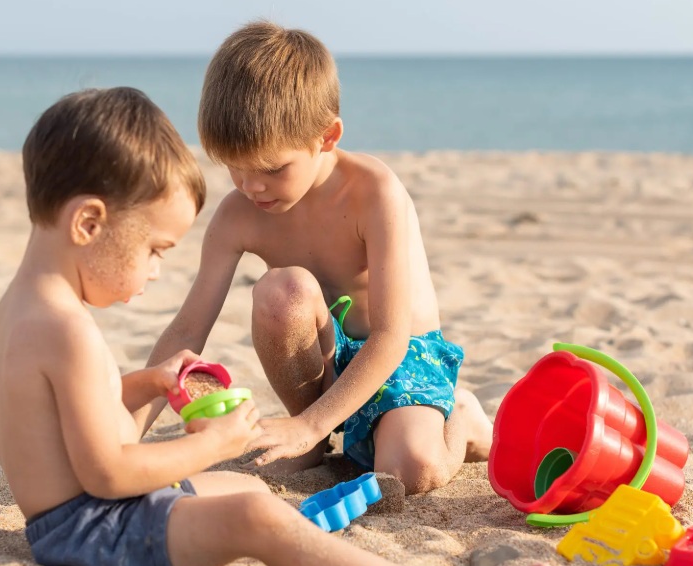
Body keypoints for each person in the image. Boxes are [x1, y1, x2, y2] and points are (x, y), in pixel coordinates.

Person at [0, 87, 551, 566]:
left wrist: (149, 383)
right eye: (154, 251)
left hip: (68, 521)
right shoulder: (69, 333)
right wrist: (210, 445)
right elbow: (108, 472)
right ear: (87, 223)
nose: (155, 271)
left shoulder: (19, 313)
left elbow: (71, 423)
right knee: (258, 517)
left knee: (255, 489)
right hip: (96, 530)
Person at [141, 21, 494, 495]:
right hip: (324, 365)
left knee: (409, 472)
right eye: (234, 167)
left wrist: (313, 422)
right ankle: (309, 442)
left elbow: (391, 337)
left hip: (399, 356)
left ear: (326, 137)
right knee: (281, 292)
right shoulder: (239, 215)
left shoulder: (374, 194)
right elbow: (187, 331)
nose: (251, 186)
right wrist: (129, 433)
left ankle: (464, 418)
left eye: (271, 168)